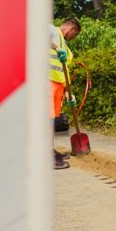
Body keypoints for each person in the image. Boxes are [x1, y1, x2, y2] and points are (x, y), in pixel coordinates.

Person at [50, 18, 81, 169]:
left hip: (58, 88)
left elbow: (64, 72)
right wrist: (56, 48)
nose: (72, 37)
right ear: (71, 27)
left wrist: (69, 94)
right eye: (74, 34)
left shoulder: (67, 50)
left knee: (51, 121)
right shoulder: (52, 30)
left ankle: (50, 151)